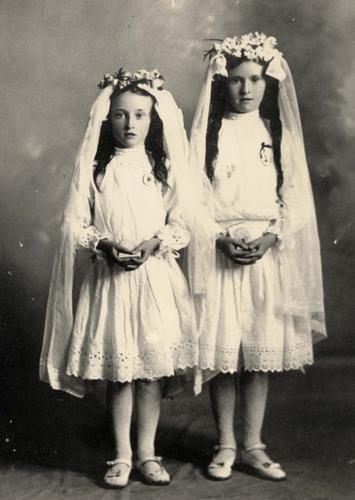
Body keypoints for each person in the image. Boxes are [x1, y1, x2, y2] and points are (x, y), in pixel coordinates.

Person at [40, 68, 197, 488]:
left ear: (153, 119)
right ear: (106, 119)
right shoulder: (96, 168)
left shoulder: (162, 165)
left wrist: (154, 243)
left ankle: (147, 452)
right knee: (121, 372)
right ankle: (122, 455)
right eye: (121, 115)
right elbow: (75, 224)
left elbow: (182, 221)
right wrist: (105, 244)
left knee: (148, 372)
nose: (131, 124)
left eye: (140, 115)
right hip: (111, 282)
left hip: (153, 280)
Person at [188, 33, 326, 481]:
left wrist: (272, 237)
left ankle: (253, 444)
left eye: (255, 80)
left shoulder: (276, 133)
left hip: (265, 252)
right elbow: (193, 199)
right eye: (236, 80)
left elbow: (295, 198)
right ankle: (225, 443)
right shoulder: (210, 134)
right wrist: (217, 237)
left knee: (258, 353)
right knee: (226, 354)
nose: (246, 89)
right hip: (223, 251)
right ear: (221, 84)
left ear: (268, 83)